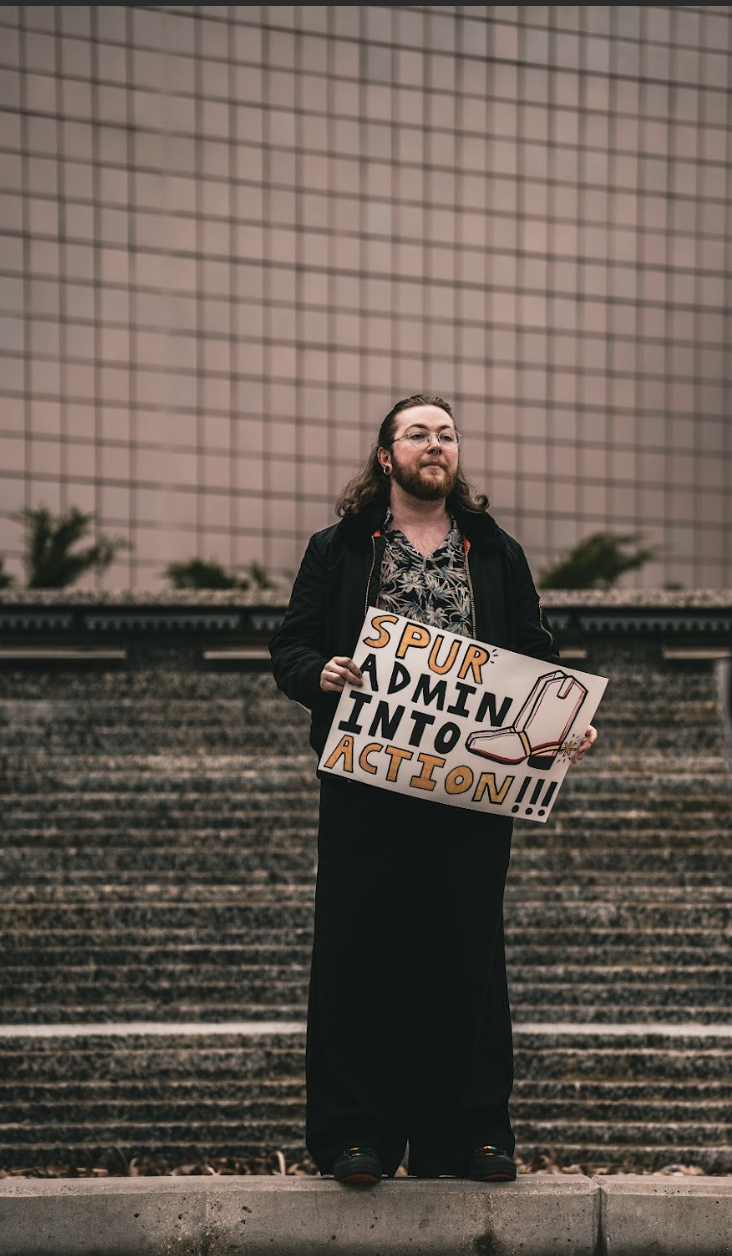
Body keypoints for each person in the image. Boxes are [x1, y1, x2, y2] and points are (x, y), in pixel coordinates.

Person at [270, 395, 596, 1186]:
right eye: (417, 432)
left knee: (466, 955)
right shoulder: (340, 546)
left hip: (472, 786)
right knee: (360, 953)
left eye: (446, 434)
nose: (435, 443)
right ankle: (357, 1136)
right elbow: (292, 646)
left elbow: (535, 657)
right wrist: (322, 673)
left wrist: (565, 722)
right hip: (367, 779)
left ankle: (472, 1134)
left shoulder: (495, 550)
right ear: (386, 457)